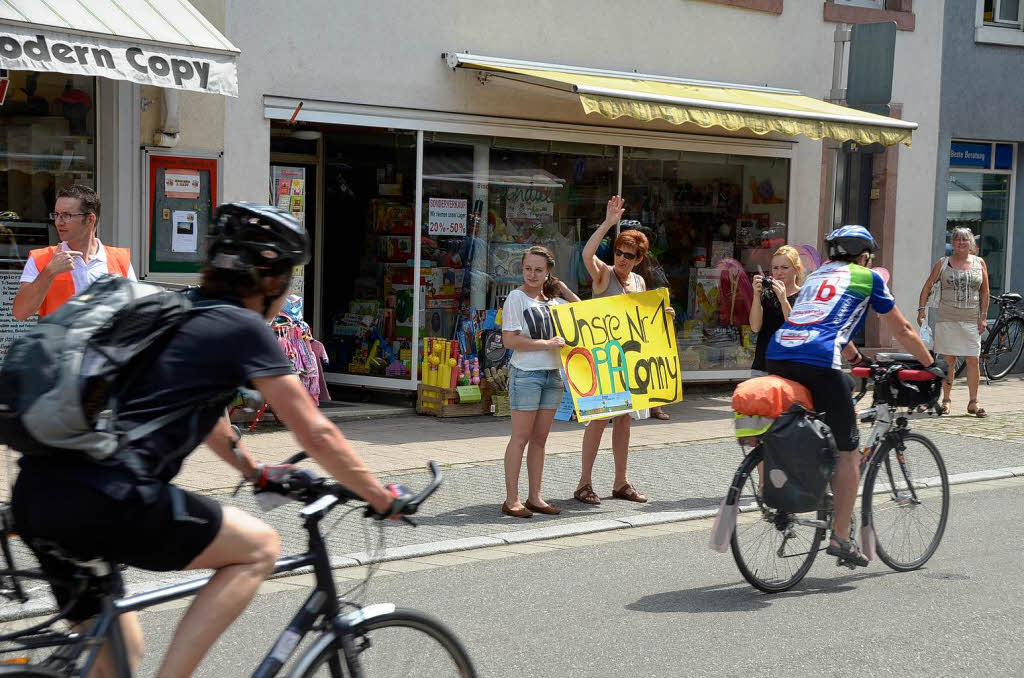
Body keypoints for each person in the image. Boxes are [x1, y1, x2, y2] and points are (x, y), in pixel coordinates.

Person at [11, 203, 401, 677]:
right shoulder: (242, 327)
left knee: (118, 652)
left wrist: (255, 472)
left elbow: (211, 418)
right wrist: (380, 496)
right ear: (271, 277)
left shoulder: (176, 309)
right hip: (110, 498)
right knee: (259, 546)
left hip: (39, 492)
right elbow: (316, 431)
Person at [766, 225, 939, 567]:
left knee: (836, 397)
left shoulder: (816, 277)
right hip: (818, 359)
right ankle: (841, 538)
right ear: (864, 257)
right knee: (848, 452)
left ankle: (808, 472)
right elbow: (902, 328)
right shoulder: (868, 277)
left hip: (779, 351)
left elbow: (826, 320)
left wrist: (858, 360)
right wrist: (931, 363)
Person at [573, 196, 674, 506]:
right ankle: (584, 483)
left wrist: (661, 316)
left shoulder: (639, 281)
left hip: (627, 359)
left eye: (629, 255)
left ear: (638, 258)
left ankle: (620, 481)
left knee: (625, 419)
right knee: (599, 419)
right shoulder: (604, 274)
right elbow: (587, 253)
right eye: (619, 252)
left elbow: (641, 322)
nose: (622, 259)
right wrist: (607, 223)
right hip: (603, 358)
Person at [500, 245, 580, 518]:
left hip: (552, 374)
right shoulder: (516, 298)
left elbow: (586, 314)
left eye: (538, 270)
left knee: (540, 439)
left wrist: (565, 290)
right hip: (526, 375)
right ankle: (512, 499)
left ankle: (535, 496)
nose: (531, 275)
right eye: (527, 269)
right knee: (520, 437)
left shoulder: (555, 301)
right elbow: (509, 340)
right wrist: (546, 343)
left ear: (549, 273)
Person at [12, 184, 136, 320]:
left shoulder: (120, 260)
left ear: (90, 219)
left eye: (66, 215)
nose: (58, 222)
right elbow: (20, 313)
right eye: (57, 215)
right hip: (60, 341)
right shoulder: (41, 259)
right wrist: (49, 272)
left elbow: (135, 313)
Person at [916, 227, 989, 417]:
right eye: (957, 240)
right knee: (949, 360)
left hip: (971, 319)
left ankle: (973, 402)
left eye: (965, 240)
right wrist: (921, 310)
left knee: (973, 359)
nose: (961, 243)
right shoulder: (943, 263)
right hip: (947, 318)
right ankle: (946, 401)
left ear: (971, 243)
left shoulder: (979, 262)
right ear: (953, 243)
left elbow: (984, 291)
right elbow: (927, 286)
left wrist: (983, 316)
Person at [750, 245, 804, 372]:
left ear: (796, 269)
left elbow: (795, 329)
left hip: (790, 365)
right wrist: (756, 295)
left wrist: (783, 300)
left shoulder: (804, 296)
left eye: (784, 268)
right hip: (763, 364)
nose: (779, 272)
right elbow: (755, 327)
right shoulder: (767, 294)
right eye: (775, 268)